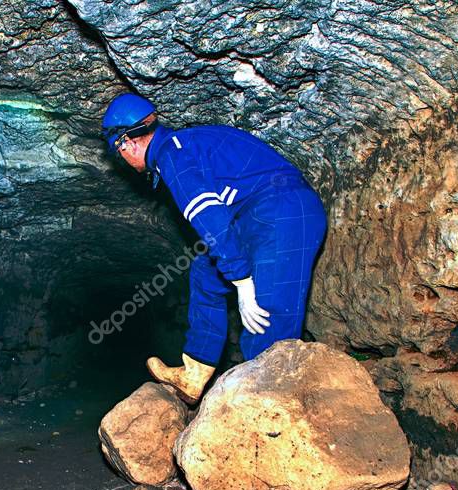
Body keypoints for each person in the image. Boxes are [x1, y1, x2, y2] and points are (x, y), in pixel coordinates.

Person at [101, 93, 327, 404]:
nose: (123, 160)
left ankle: (265, 406)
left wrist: (242, 280)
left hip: (283, 212)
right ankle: (195, 371)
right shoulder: (181, 148)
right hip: (254, 213)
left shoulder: (172, 156)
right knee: (205, 270)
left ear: (126, 143)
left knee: (266, 316)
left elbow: (209, 216)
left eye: (119, 153)